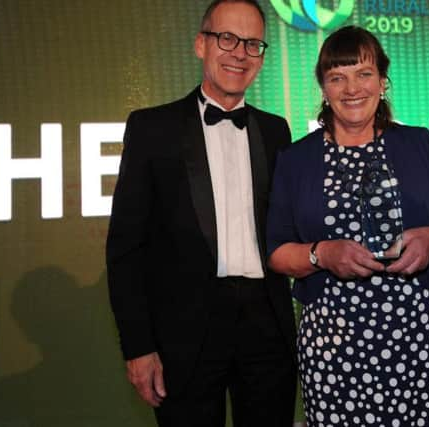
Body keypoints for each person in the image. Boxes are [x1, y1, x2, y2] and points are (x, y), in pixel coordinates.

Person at [267, 26, 429, 426]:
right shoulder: (296, 160)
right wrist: (322, 253)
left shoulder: (419, 144)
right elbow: (278, 252)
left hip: (425, 342)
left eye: (363, 74)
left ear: (382, 81)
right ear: (323, 87)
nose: (352, 88)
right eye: (337, 77)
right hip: (334, 352)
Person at [106, 1, 296, 426]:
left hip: (267, 327)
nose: (239, 53)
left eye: (252, 43)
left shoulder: (275, 130)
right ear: (200, 45)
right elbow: (125, 248)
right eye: (226, 38)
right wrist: (138, 346)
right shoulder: (152, 128)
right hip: (184, 333)